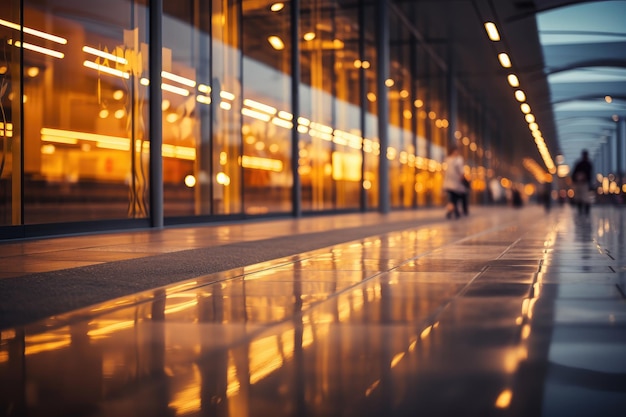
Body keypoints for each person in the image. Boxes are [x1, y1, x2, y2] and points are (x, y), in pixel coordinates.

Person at [443, 146, 466, 219]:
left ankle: (453, 212)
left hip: (453, 182)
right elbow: (461, 171)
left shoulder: (448, 160)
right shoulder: (457, 160)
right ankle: (454, 212)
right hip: (453, 182)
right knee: (453, 198)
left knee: (453, 198)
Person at [571, 149, 593, 215]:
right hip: (582, 183)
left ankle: (583, 211)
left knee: (582, 197)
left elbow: (574, 174)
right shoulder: (587, 164)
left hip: (582, 183)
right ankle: (584, 211)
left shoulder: (581, 164)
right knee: (582, 197)